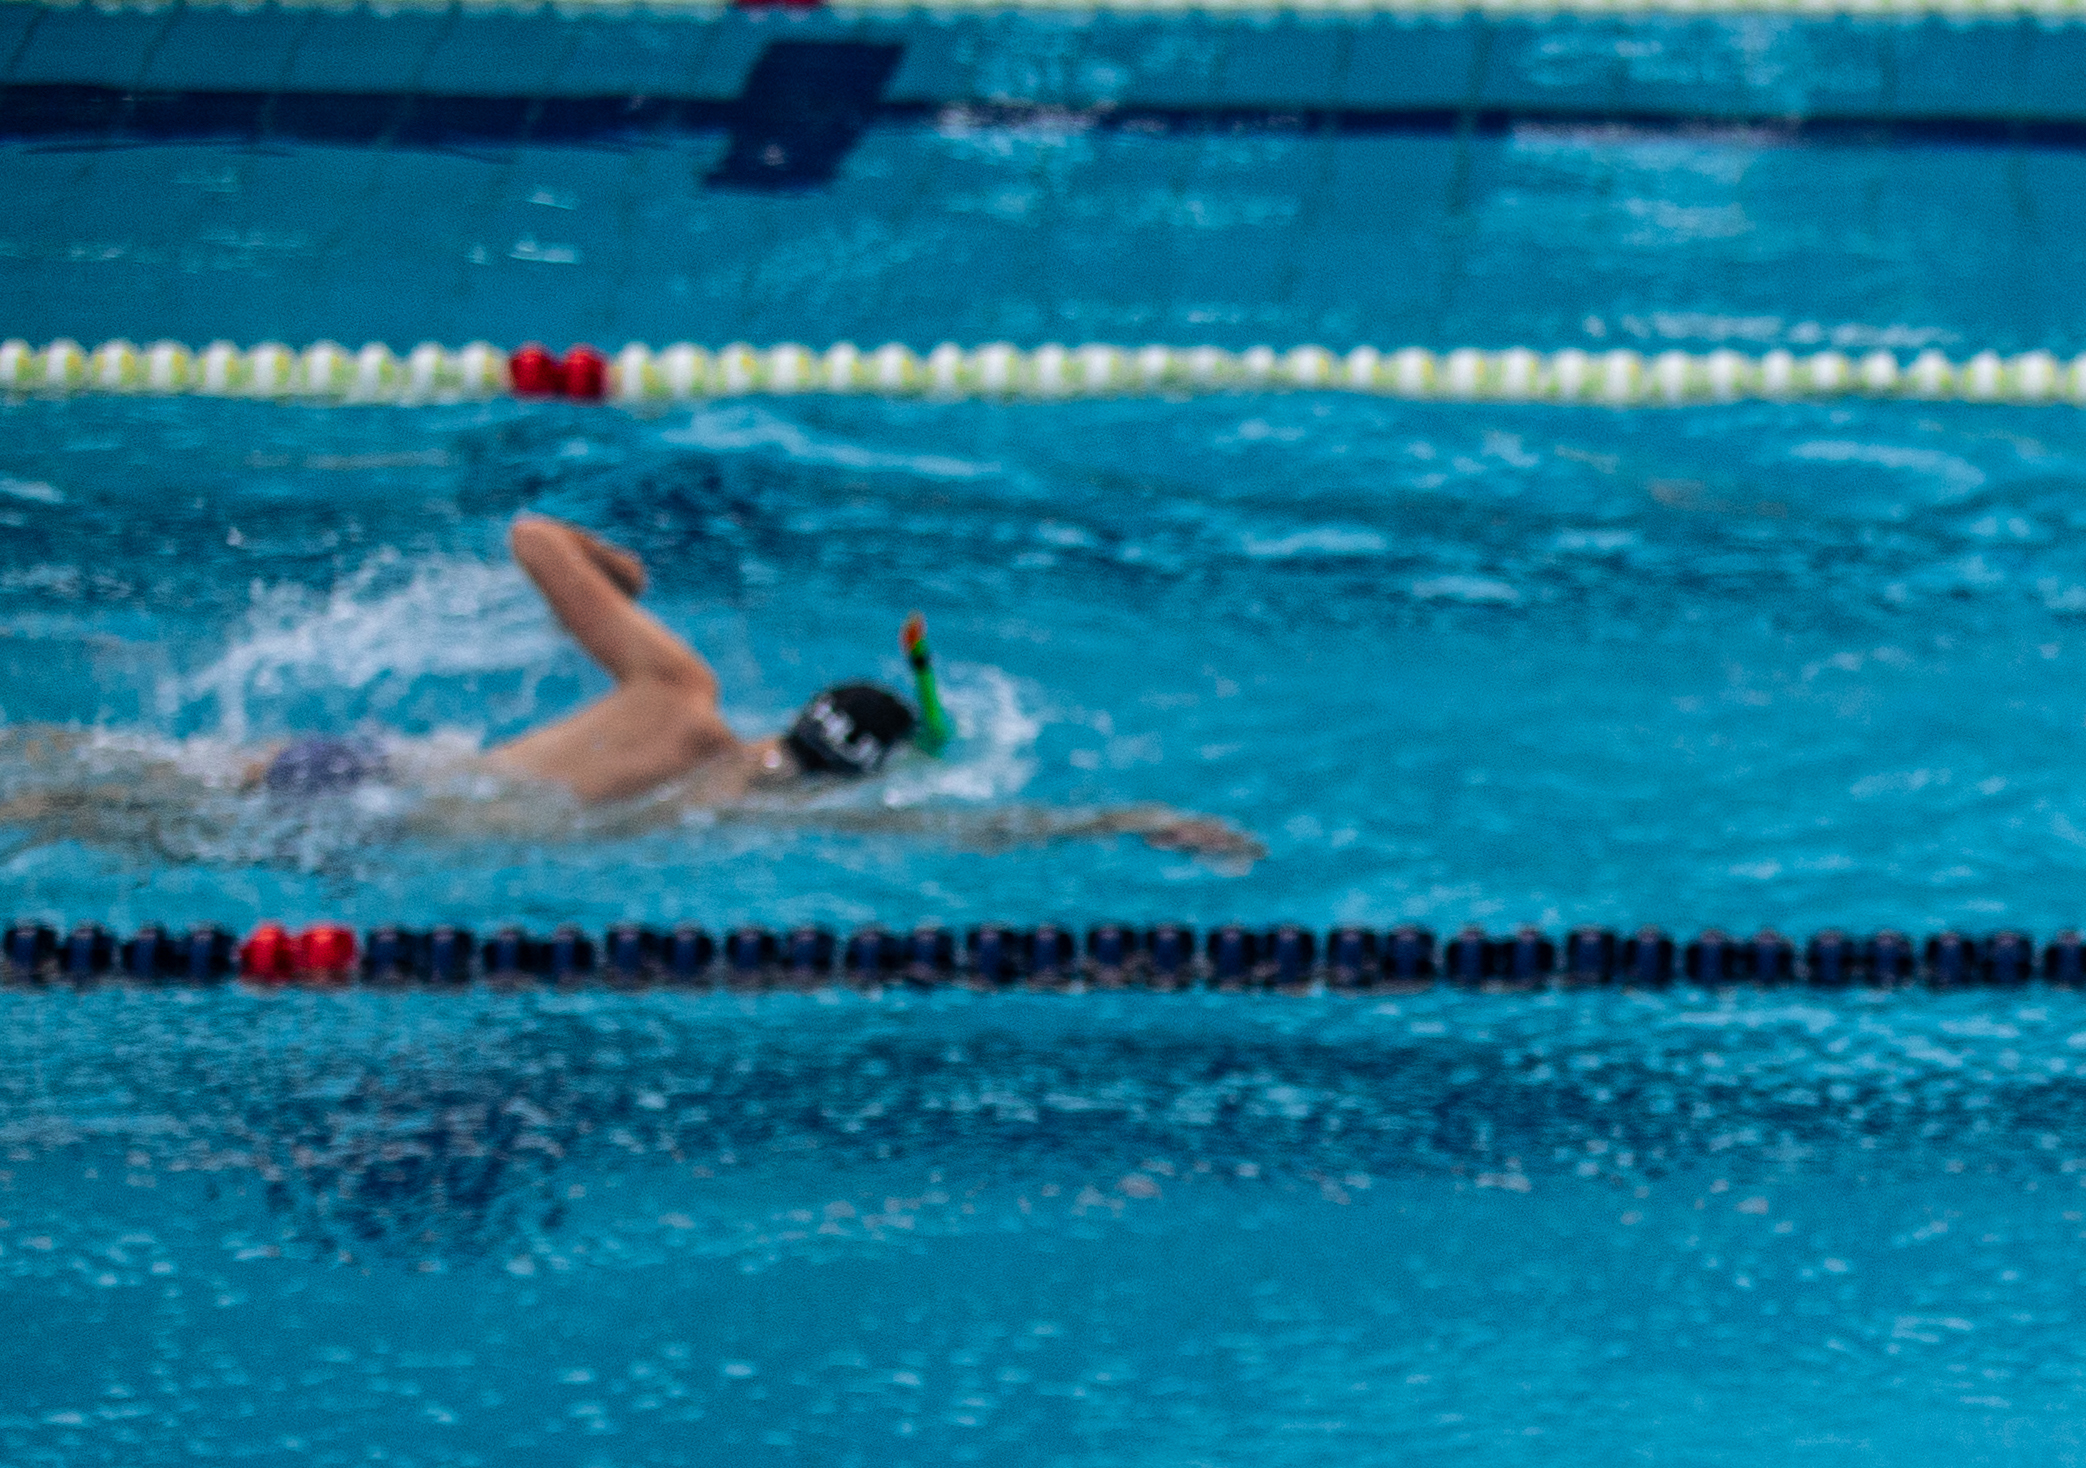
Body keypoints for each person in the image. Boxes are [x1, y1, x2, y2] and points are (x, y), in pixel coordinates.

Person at [0, 513, 1262, 866]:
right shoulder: (765, 810)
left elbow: (531, 534)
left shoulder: (678, 683)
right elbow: (973, 828)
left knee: (96, 764)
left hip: (378, 765)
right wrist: (1125, 819)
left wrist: (610, 562)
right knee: (80, 816)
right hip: (382, 821)